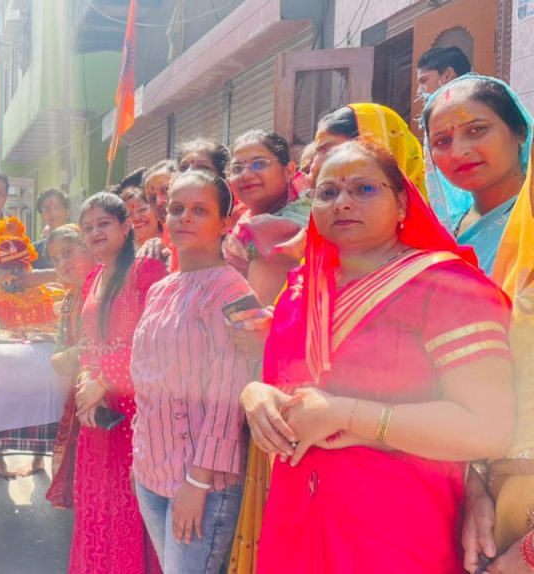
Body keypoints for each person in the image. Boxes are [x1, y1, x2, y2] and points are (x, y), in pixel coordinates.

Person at [241, 139, 514, 573]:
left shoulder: (445, 286)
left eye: (364, 189)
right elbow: (286, 385)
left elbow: (487, 429)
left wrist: (346, 414)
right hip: (296, 522)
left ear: (403, 204)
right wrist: (254, 395)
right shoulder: (300, 289)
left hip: (394, 532)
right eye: (327, 193)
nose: (342, 202)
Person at [132, 170, 254, 574]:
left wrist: (198, 483)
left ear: (224, 223)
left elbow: (228, 397)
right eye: (176, 209)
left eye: (199, 210)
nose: (184, 217)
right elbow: (146, 378)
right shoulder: (160, 289)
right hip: (151, 470)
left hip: (203, 482)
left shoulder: (232, 291)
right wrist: (141, 463)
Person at [70, 191, 166, 574]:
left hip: (134, 412)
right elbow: (88, 342)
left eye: (104, 223)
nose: (96, 232)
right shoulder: (93, 277)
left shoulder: (146, 272)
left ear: (126, 227)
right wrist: (85, 381)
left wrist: (106, 376)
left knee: (130, 505)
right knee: (97, 505)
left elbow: (155, 341)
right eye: (88, 227)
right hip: (98, 412)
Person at [463, 153, 534, 574]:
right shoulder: (517, 276)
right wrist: (476, 489)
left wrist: (525, 556)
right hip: (503, 504)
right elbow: (490, 392)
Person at [423, 75, 532, 274]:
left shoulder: (529, 220)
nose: (458, 153)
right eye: (442, 141)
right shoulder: (444, 227)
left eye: (476, 130)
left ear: (521, 132)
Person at [223, 130, 309, 308]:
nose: (246, 175)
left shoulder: (314, 214)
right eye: (237, 168)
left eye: (259, 164)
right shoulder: (241, 224)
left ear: (289, 171)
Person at [45, 223, 96, 509]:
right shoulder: (69, 300)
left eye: (68, 252)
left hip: (107, 395)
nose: (62, 263)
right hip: (79, 394)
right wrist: (75, 354)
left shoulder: (105, 287)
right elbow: (59, 360)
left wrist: (71, 356)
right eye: (55, 259)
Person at [32, 187, 71, 269]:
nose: (53, 213)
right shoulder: (33, 252)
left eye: (58, 207)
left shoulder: (81, 245)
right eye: (47, 209)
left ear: (67, 213)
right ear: (42, 216)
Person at [121, 184, 163, 248]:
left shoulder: (173, 242)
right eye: (129, 214)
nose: (136, 218)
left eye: (142, 210)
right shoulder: (122, 254)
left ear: (156, 210)